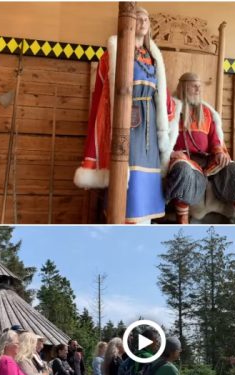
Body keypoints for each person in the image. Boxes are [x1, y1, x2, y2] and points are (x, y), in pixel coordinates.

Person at [74, 7, 175, 223]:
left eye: (146, 19)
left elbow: (163, 96)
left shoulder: (153, 57)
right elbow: (102, 97)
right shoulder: (113, 54)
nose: (143, 22)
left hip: (150, 127)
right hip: (127, 123)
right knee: (129, 179)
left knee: (148, 182)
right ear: (127, 23)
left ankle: (144, 225)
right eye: (138, 18)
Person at [165, 72, 235, 224]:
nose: (198, 90)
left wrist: (219, 152)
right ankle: (182, 224)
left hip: (209, 161)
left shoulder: (207, 112)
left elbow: (215, 139)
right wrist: (170, 153)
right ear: (183, 86)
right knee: (182, 170)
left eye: (200, 87)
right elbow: (162, 137)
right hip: (184, 159)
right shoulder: (172, 110)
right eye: (194, 86)